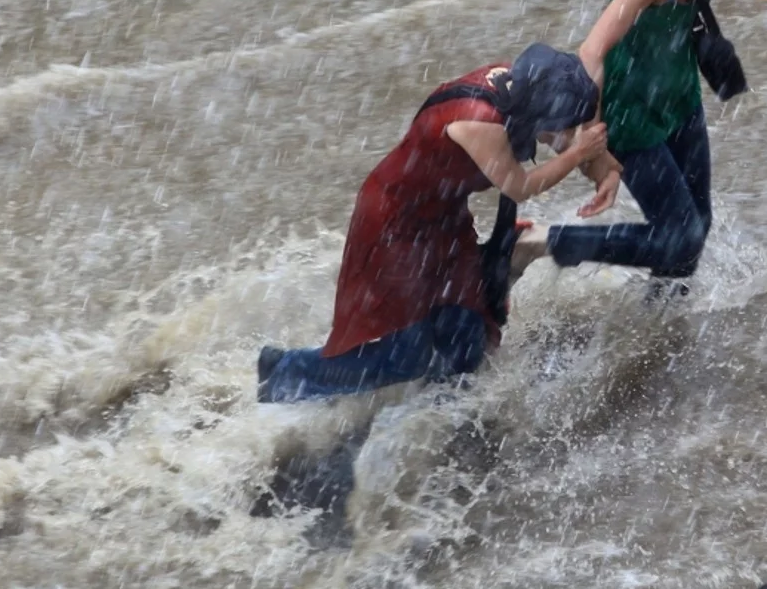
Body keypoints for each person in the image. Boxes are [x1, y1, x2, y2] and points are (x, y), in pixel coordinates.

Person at [259, 44, 613, 403]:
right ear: (541, 115)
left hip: (443, 215)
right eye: (563, 127)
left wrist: (603, 169)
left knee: (468, 332)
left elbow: (573, 129)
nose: (568, 134)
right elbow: (519, 186)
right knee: (405, 354)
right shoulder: (478, 119)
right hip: (394, 223)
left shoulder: (526, 84)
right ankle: (285, 371)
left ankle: (433, 420)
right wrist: (577, 155)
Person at [512, 0, 745, 287]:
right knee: (681, 239)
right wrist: (596, 150)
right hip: (630, 115)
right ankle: (538, 242)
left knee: (696, 227)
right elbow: (591, 53)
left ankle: (661, 327)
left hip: (681, 101)